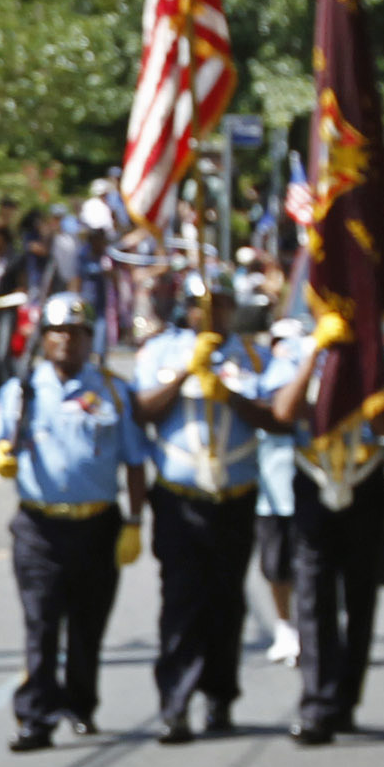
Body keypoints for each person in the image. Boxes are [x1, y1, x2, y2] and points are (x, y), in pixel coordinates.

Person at [0, 292, 148, 750]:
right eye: (58, 332)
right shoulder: (22, 391)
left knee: (87, 624)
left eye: (76, 333)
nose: (67, 341)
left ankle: (80, 704)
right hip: (39, 527)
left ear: (89, 339)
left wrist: (135, 521)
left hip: (98, 524)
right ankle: (35, 717)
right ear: (44, 338)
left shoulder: (113, 389)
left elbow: (135, 461)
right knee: (41, 623)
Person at [129, 272, 273, 741]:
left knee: (227, 602)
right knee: (181, 602)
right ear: (185, 308)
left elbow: (272, 417)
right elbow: (143, 410)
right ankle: (175, 701)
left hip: (232, 497)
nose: (210, 313)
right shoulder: (160, 352)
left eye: (221, 304)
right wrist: (190, 371)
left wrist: (226, 389)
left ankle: (220, 697)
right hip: (179, 499)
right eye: (200, 304)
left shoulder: (252, 354)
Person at [262, 298, 384, 744]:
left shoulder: (381, 353)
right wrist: (316, 355)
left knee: (360, 597)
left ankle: (347, 699)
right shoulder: (297, 351)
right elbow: (283, 411)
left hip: (363, 478)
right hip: (315, 479)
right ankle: (317, 702)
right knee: (314, 595)